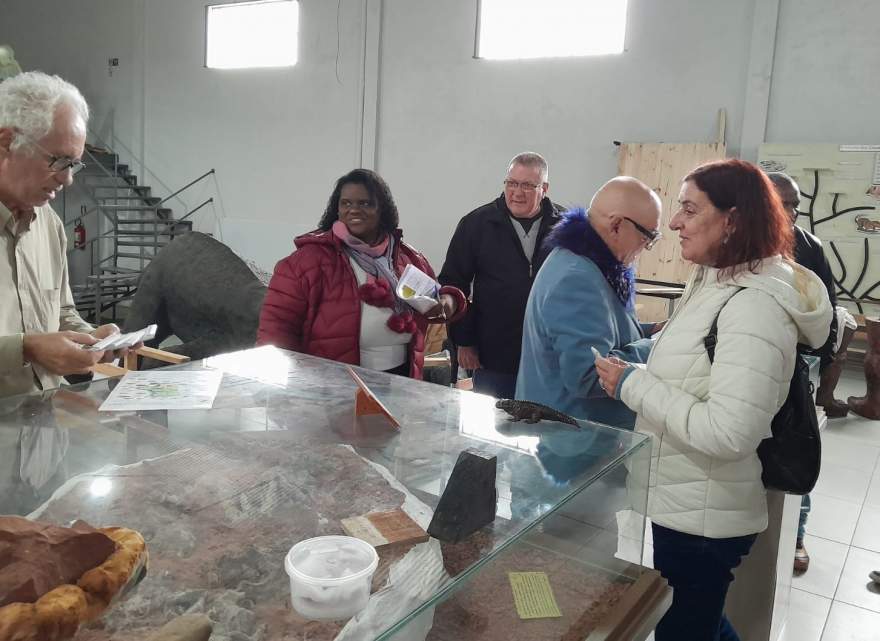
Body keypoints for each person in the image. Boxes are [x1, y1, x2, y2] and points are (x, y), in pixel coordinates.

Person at [595, 159, 832, 641]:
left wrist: (632, 385)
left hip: (704, 519)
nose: (675, 223)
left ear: (733, 220)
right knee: (698, 624)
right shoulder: (714, 282)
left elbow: (729, 432)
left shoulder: (753, 306)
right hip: (687, 502)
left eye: (688, 208)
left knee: (686, 629)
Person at [257, 168, 467, 379]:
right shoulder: (307, 262)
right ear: (336, 209)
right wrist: (279, 386)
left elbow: (437, 296)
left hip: (403, 378)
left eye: (365, 203)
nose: (354, 210)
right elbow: (276, 329)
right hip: (333, 384)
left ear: (382, 209)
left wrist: (450, 300)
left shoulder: (405, 257)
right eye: (346, 203)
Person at [0, 71, 129, 399]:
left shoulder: (50, 225)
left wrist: (95, 340)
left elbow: (59, 313)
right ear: (6, 143)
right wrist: (24, 350)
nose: (68, 179)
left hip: (42, 428)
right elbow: (32, 344)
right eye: (59, 161)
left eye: (74, 164)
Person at [515, 177, 663, 428]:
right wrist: (657, 345)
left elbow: (602, 329)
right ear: (617, 225)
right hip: (575, 443)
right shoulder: (577, 278)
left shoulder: (580, 263)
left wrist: (650, 330)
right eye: (648, 237)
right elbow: (589, 375)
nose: (646, 247)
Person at [767, 171, 852, 574]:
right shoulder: (734, 242)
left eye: (794, 205)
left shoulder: (809, 247)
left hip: (795, 368)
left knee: (796, 448)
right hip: (743, 366)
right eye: (780, 203)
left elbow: (829, 316)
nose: (789, 213)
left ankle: (797, 533)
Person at [439, 152, 564, 398]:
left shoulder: (565, 226)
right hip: (493, 351)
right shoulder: (476, 224)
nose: (517, 192)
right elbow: (454, 283)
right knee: (497, 427)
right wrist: (464, 341)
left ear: (544, 188)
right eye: (512, 183)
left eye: (528, 185)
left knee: (545, 426)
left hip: (549, 353)